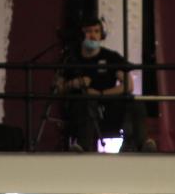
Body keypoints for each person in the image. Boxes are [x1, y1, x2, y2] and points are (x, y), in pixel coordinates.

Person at [54, 16, 151, 152]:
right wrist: (73, 84)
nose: (93, 35)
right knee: (86, 102)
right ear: (81, 35)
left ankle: (142, 144)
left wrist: (101, 94)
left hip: (109, 107)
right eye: (88, 31)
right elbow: (57, 89)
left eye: (96, 31)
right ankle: (83, 146)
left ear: (102, 35)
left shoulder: (111, 57)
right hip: (81, 107)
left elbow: (128, 86)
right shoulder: (70, 58)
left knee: (135, 103)